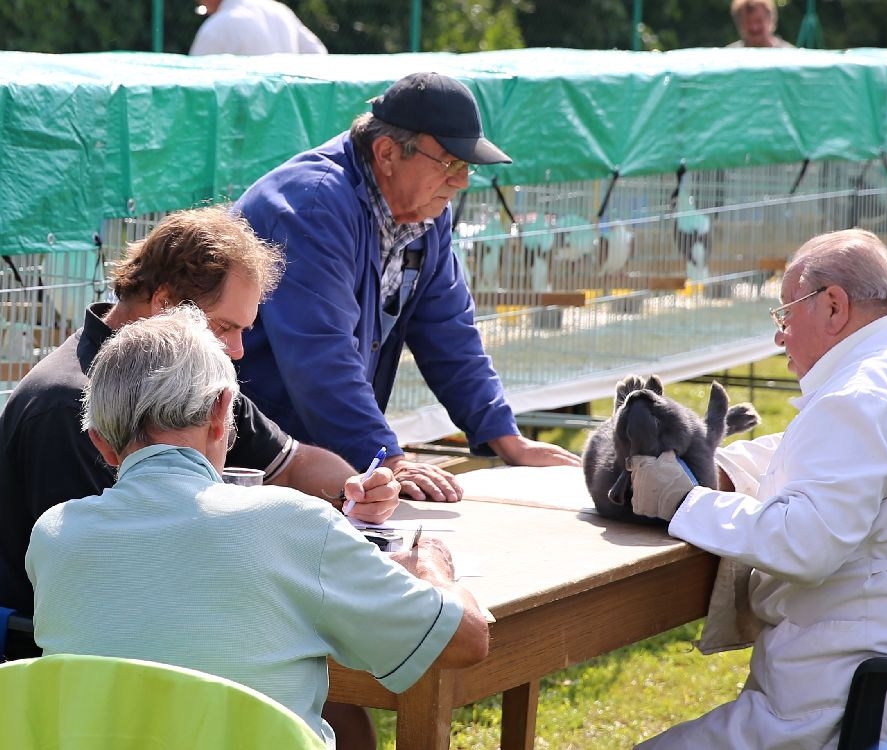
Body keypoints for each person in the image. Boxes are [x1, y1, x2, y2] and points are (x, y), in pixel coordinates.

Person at [626, 229, 887, 749]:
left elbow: (803, 545)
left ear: (834, 306)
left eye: (785, 315)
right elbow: (827, 455)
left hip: (876, 689)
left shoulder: (864, 392)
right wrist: (717, 465)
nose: (780, 337)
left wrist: (684, 500)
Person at [0, 206, 392, 746]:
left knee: (341, 708)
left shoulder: (189, 370)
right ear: (165, 303)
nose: (236, 350)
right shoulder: (66, 404)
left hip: (161, 624)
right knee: (328, 701)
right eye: (227, 327)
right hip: (91, 668)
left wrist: (362, 492)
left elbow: (295, 461)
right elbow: (128, 567)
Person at [25, 305, 490, 748]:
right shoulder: (292, 523)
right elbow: (464, 640)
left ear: (101, 446)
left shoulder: (53, 537)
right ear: (222, 411)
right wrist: (430, 564)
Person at [233, 71, 580, 502]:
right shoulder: (313, 204)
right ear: (386, 153)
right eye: (450, 163)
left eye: (467, 166)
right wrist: (385, 457)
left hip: (308, 448)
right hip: (239, 450)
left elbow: (449, 330)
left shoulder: (426, 213)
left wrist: (506, 438)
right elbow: (320, 353)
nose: (462, 181)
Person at [189, 0, 328, 56]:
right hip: (286, 113)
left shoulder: (217, 26)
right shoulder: (281, 11)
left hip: (238, 116)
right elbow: (318, 54)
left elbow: (196, 88)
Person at [727, 0, 793, 49]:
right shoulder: (729, 57)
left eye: (759, 21)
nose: (754, 27)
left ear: (771, 19)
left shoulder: (790, 55)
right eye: (748, 22)